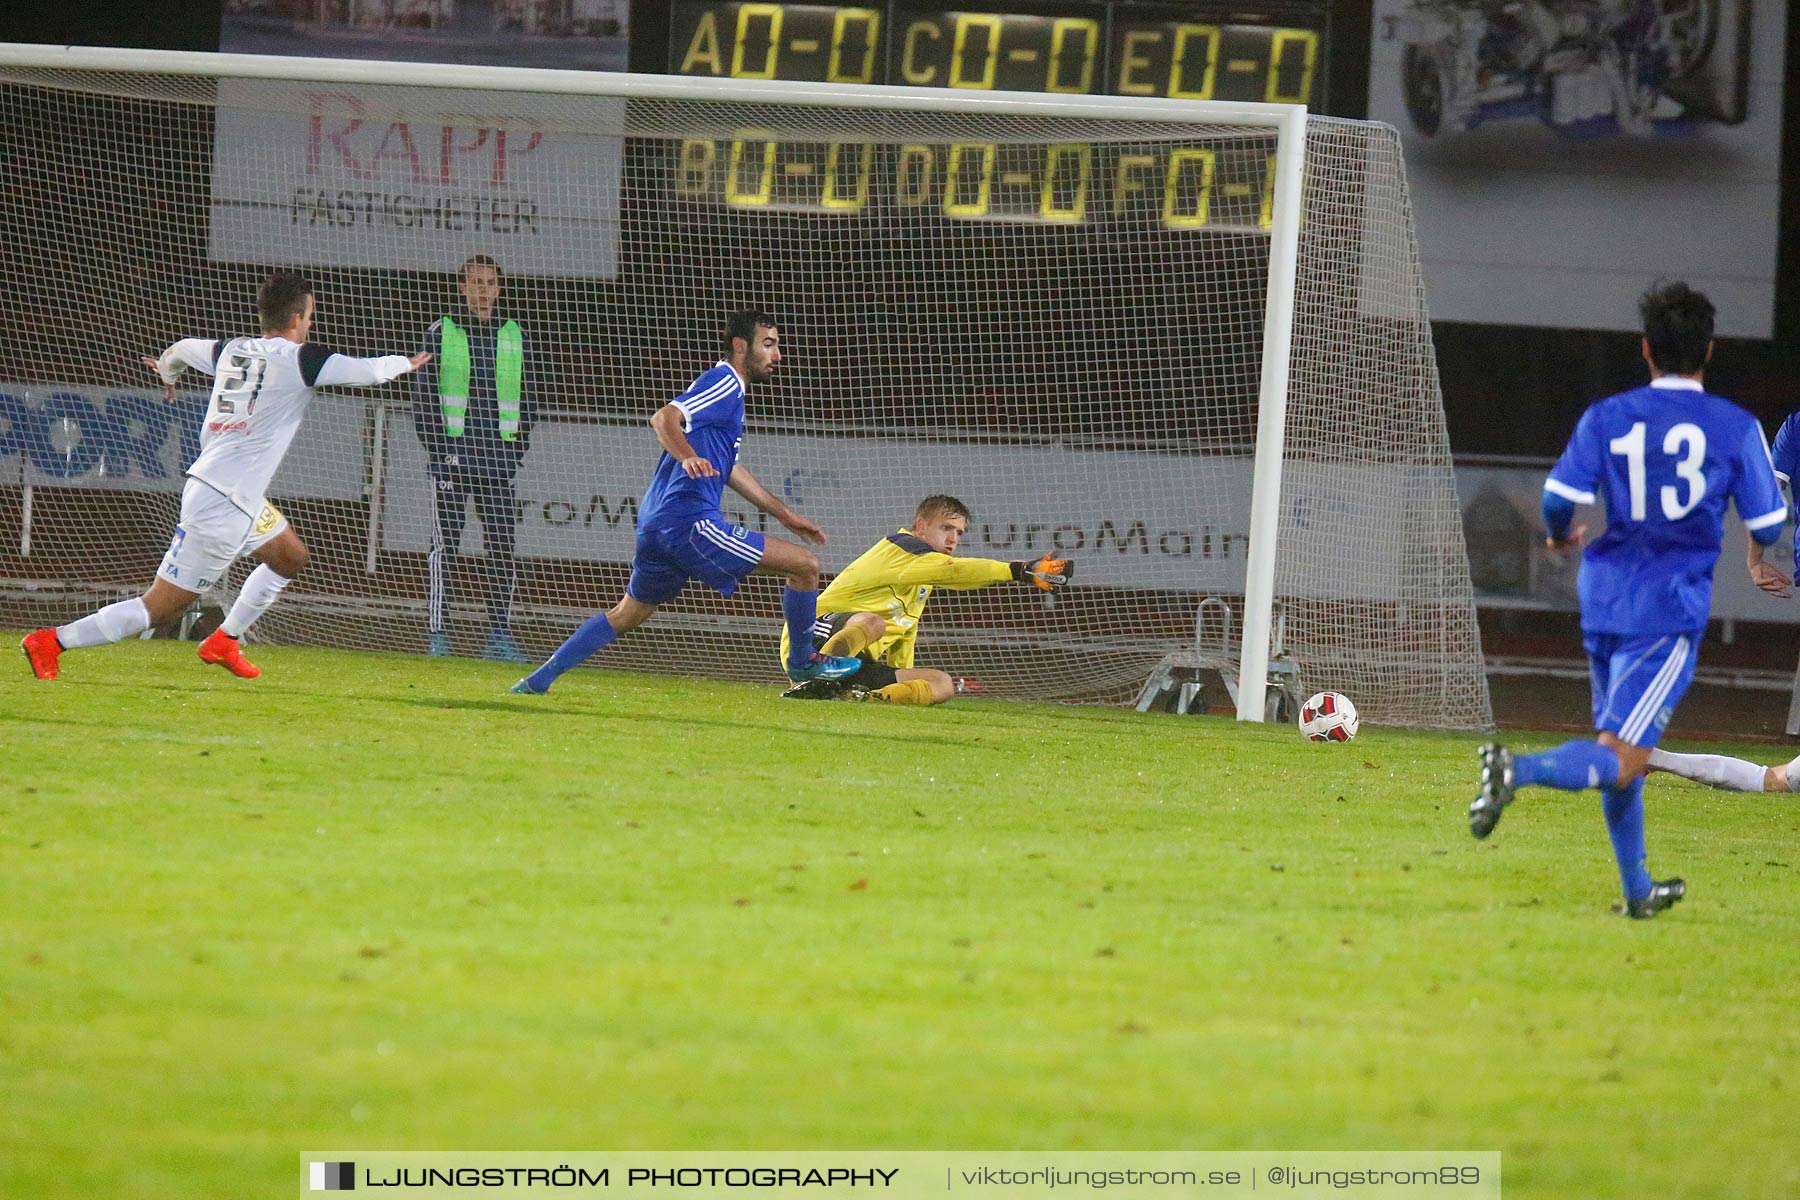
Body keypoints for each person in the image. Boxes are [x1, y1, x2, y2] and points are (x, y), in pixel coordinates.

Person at [1468, 281, 1787, 918]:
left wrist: (1561, 537)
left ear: (1646, 349)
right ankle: (1516, 771)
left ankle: (1638, 891)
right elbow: (1771, 524)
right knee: (1620, 758)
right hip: (1668, 611)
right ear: (1709, 351)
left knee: (1620, 748)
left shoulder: (1607, 416)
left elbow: (1558, 501)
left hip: (1605, 598)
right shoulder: (1734, 426)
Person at [19, 271, 428, 681]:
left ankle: (224, 640)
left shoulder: (230, 350)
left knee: (290, 558)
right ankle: (51, 642)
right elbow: (366, 372)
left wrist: (168, 372)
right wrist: (406, 363)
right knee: (161, 607)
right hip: (222, 504)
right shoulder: (300, 359)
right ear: (294, 320)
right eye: (308, 317)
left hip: (237, 497)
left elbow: (180, 349)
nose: (309, 325)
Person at [508, 310, 862, 695]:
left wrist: (786, 515)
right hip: (689, 523)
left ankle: (536, 681)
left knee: (627, 614)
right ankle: (803, 662)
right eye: (769, 344)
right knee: (806, 566)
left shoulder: (726, 394)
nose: (777, 356)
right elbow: (664, 419)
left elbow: (731, 470)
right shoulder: (725, 381)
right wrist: (686, 456)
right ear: (740, 346)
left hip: (657, 525)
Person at [780, 495, 1072, 705]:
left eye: (958, 532)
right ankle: (813, 678)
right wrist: (1014, 570)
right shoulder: (902, 547)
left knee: (942, 685)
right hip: (810, 636)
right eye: (946, 528)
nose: (954, 539)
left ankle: (862, 698)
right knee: (872, 622)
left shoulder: (923, 577)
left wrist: (897, 675)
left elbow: (904, 636)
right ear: (920, 525)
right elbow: (956, 571)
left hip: (853, 661)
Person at [412, 254, 537, 662]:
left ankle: (498, 635)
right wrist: (439, 450)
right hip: (451, 461)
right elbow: (423, 398)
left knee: (502, 547)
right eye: (475, 282)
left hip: (497, 463)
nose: (483, 290)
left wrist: (515, 448)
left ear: (499, 289)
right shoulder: (439, 332)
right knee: (444, 547)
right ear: (462, 287)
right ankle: (438, 634)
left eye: (490, 283)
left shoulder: (516, 334)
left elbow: (530, 396)